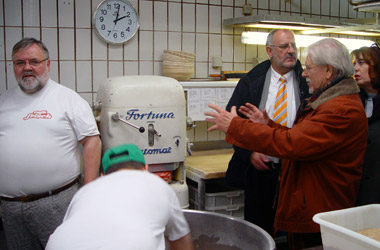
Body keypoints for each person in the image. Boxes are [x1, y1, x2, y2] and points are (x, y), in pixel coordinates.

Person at [205, 38, 368, 250]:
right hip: (312, 208)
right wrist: (268, 125)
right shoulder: (329, 100)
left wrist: (235, 126)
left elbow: (293, 144)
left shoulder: (340, 109)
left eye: (309, 68)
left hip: (319, 215)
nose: (304, 73)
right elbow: (302, 138)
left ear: (328, 71)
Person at [0, 38, 101, 249]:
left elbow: (92, 141)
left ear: (48, 64)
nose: (27, 67)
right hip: (10, 207)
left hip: (56, 202)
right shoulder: (3, 101)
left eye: (34, 61)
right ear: (13, 66)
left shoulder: (68, 99)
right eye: (20, 63)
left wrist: (88, 190)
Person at [224, 29, 309, 235]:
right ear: (269, 51)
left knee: (293, 232)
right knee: (258, 233)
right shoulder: (252, 81)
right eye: (283, 47)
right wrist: (249, 153)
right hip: (261, 173)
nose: (291, 51)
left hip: (297, 171)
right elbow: (234, 123)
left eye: (293, 46)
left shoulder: (307, 80)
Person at [46, 144, 195, 250]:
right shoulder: (156, 183)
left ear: (103, 175)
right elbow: (180, 240)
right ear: (146, 168)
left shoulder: (84, 192)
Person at [351, 45, 380, 205]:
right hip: (357, 191)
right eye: (355, 63)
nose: (356, 68)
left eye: (362, 63)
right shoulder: (354, 102)